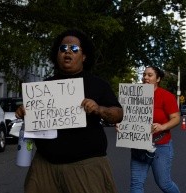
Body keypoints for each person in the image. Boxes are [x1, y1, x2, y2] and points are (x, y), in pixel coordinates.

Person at [15, 29, 123, 193]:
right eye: (63, 48)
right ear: (56, 54)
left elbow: (118, 114)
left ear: (84, 57)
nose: (67, 52)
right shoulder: (44, 87)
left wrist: (99, 109)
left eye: (74, 49)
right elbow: (35, 119)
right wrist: (24, 111)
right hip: (44, 166)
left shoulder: (98, 85)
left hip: (85, 167)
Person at [130, 66, 181, 193]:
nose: (145, 77)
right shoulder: (134, 95)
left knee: (164, 184)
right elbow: (128, 117)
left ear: (158, 79)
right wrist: (122, 125)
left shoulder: (166, 96)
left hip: (161, 145)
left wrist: (163, 126)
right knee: (136, 184)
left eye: (150, 75)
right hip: (139, 145)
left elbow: (176, 118)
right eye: (144, 75)